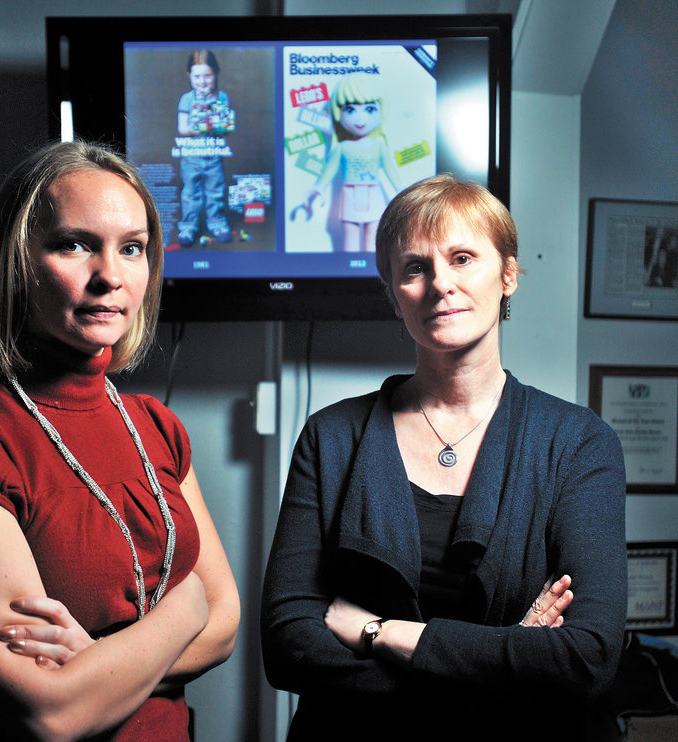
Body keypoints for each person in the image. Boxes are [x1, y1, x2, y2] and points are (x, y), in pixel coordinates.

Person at [0, 140, 240, 741]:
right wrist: (188, 607)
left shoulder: (156, 426)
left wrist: (100, 664)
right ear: (17, 261)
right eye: (73, 244)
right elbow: (50, 712)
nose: (109, 276)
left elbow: (227, 625)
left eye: (132, 248)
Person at [261, 174, 627, 740]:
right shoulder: (330, 436)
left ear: (508, 274)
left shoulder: (580, 443)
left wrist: (377, 631)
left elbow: (585, 658)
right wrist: (504, 663)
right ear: (393, 293)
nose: (440, 285)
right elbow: (287, 644)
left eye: (462, 258)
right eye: (414, 268)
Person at [297, 73, 404, 252]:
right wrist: (318, 188)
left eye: (369, 109)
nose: (360, 118)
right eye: (350, 110)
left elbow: (392, 173)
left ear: (380, 111)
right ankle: (351, 272)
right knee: (351, 239)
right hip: (349, 195)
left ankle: (373, 277)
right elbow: (329, 171)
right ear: (339, 113)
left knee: (373, 240)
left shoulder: (379, 147)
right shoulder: (341, 147)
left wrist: (404, 194)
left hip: (373, 194)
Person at [176, 49, 236, 247]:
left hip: (213, 156)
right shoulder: (186, 99)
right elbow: (182, 128)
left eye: (207, 76)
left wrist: (221, 124)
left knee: (215, 191)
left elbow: (226, 128)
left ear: (215, 74)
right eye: (197, 76)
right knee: (190, 193)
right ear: (189, 76)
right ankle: (188, 226)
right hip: (191, 157)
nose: (202, 81)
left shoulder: (222, 97)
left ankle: (217, 222)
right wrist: (204, 124)